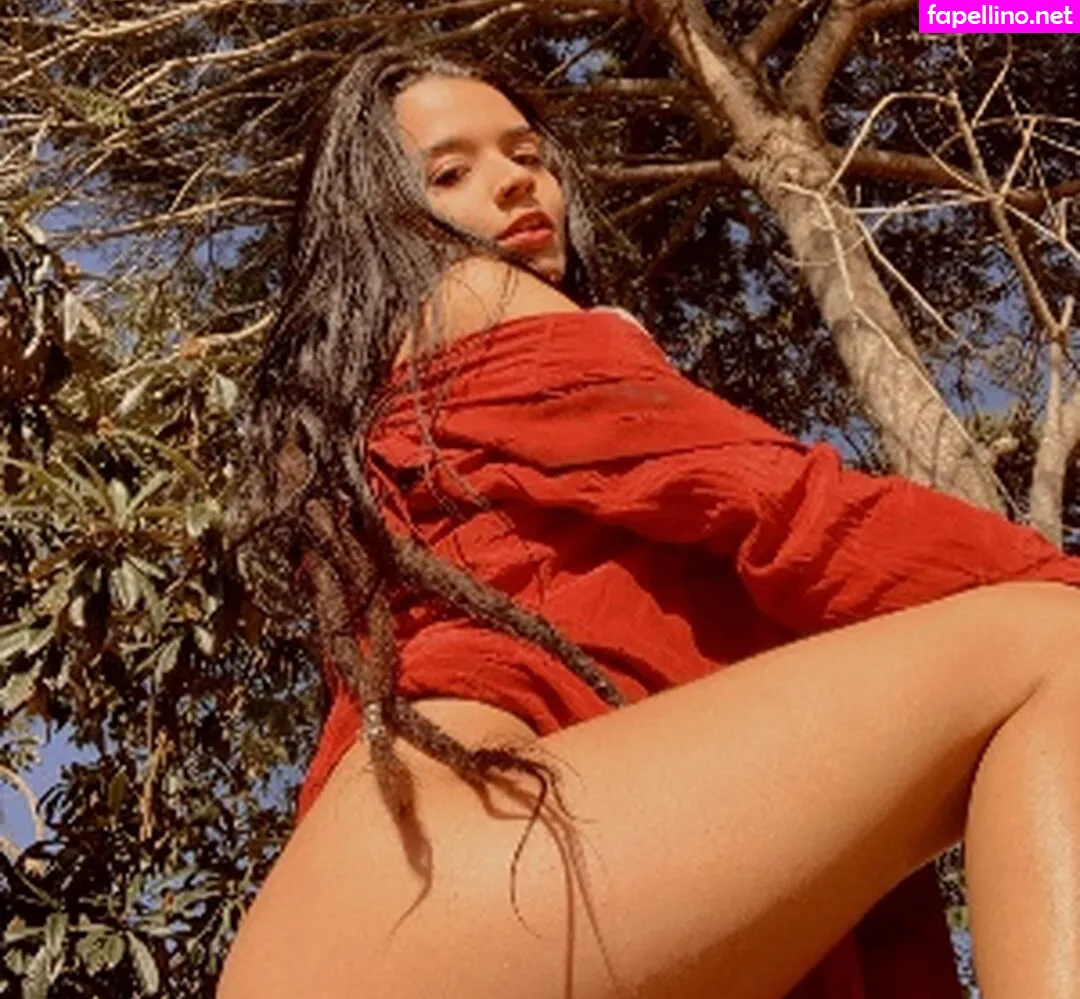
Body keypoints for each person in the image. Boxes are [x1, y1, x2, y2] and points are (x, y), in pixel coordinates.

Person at [216, 48, 1080, 999]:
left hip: (392, 913)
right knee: (1056, 643)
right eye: (450, 173)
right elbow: (789, 509)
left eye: (527, 155)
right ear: (380, 216)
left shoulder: (386, 404)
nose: (515, 181)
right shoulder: (475, 300)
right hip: (475, 864)